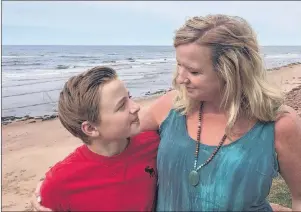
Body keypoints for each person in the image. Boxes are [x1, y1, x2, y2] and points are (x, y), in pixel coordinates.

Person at [32, 14, 301, 211]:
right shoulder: (172, 106)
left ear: (232, 72)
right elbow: (106, 139)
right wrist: (54, 182)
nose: (179, 78)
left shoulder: (280, 125)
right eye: (178, 65)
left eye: (193, 71)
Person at [34, 66, 160, 211]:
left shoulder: (152, 142)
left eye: (129, 97)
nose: (136, 107)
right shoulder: (59, 183)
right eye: (121, 106)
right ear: (91, 129)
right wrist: (43, 189)